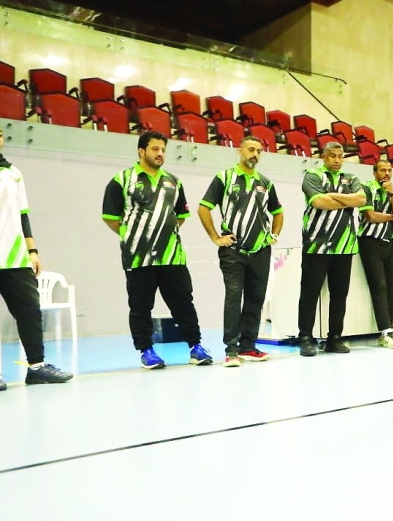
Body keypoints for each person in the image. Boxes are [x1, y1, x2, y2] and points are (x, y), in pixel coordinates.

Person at [102, 131, 212, 369]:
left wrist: (163, 233)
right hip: (138, 258)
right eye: (155, 149)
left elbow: (180, 216)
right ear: (141, 151)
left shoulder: (173, 181)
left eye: (163, 149)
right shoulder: (121, 180)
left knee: (184, 303)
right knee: (141, 306)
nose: (160, 153)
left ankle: (195, 347)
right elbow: (111, 218)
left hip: (173, 256)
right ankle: (146, 351)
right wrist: (135, 235)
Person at [197, 136, 283, 367]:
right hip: (233, 251)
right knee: (234, 298)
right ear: (240, 151)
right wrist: (216, 237)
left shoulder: (265, 182)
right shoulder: (224, 178)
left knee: (255, 300)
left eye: (259, 150)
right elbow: (203, 208)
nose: (255, 154)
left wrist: (273, 236)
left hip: (260, 251)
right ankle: (231, 350)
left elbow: (278, 212)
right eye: (251, 149)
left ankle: (248, 346)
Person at [0, 136, 73, 390]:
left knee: (30, 311)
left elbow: (23, 215)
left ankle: (37, 368)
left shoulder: (13, 173)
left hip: (15, 257)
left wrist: (32, 250)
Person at [297, 141, 367, 356]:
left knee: (339, 295)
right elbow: (318, 202)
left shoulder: (352, 178)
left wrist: (333, 197)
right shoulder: (312, 175)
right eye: (332, 156)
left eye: (340, 156)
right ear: (324, 157)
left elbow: (362, 199)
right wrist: (348, 201)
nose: (337, 160)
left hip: (344, 246)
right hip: (317, 245)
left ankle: (334, 337)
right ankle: (305, 337)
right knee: (310, 294)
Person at [358, 159, 393, 349]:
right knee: (379, 286)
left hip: (390, 242)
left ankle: (389, 329)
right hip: (370, 242)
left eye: (389, 170)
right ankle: (385, 331)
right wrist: (391, 217)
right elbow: (371, 216)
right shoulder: (366, 188)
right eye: (382, 170)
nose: (386, 173)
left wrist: (392, 195)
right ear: (375, 173)